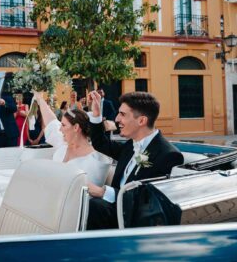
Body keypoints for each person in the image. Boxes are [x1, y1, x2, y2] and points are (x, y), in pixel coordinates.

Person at [85, 91, 184, 230]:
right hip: (114, 212)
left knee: (95, 205)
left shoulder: (168, 155)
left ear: (142, 121)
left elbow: (148, 201)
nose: (117, 119)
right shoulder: (131, 145)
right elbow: (100, 143)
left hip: (133, 225)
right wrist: (96, 114)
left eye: (123, 114)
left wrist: (103, 192)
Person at [33, 91, 112, 186]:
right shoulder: (63, 143)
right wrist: (39, 98)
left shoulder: (96, 158)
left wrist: (97, 116)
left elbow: (92, 192)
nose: (60, 129)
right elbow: (51, 121)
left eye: (63, 125)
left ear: (76, 127)